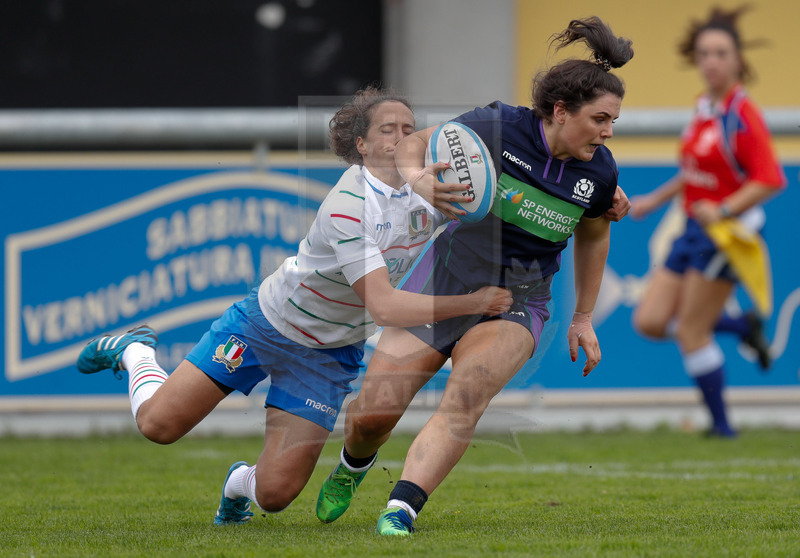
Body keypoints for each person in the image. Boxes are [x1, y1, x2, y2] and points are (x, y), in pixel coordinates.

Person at [75, 87, 516, 525]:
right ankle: (135, 350)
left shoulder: (429, 192)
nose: (400, 137)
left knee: (275, 494)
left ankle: (236, 485)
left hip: (327, 356)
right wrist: (472, 302)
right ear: (361, 145)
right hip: (265, 325)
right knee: (159, 426)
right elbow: (383, 307)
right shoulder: (349, 205)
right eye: (387, 129)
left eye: (407, 128)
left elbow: (491, 199)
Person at [315, 16, 634, 535]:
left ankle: (401, 510)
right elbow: (416, 144)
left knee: (467, 396)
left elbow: (596, 233)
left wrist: (582, 317)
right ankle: (353, 465)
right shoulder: (497, 127)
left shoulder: (599, 172)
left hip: (519, 300)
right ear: (560, 111)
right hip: (445, 280)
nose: (608, 131)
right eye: (600, 118)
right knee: (373, 414)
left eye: (612, 121)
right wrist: (419, 178)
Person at [629, 6, 785, 437]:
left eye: (720, 53)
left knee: (693, 331)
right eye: (704, 54)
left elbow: (771, 179)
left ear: (737, 60)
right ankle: (740, 325)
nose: (711, 61)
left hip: (728, 235)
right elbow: (694, 172)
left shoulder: (742, 114)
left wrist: (727, 209)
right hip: (694, 228)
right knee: (650, 321)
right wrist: (654, 201)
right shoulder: (704, 106)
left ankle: (722, 428)